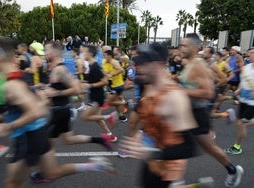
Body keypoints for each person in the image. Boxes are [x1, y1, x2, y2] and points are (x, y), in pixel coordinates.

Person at [0, 36, 115, 188]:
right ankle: (94, 165)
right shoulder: (17, 75)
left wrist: (8, 126)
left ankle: (100, 143)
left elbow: (36, 111)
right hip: (39, 131)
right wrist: (40, 92)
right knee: (52, 172)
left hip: (31, 136)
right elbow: (37, 107)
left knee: (12, 183)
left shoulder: (13, 83)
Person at [119, 42, 198, 188]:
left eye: (143, 63)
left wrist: (152, 153)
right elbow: (152, 119)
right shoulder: (149, 87)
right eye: (137, 62)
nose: (138, 68)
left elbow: (190, 147)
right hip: (151, 161)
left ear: (159, 64)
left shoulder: (174, 98)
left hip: (167, 169)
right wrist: (142, 134)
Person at [178, 33, 243, 187]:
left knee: (204, 147)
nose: (182, 48)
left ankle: (232, 171)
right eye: (181, 45)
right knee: (199, 147)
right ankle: (232, 170)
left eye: (185, 45)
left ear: (195, 47)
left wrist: (183, 92)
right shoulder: (191, 63)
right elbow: (191, 84)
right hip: (188, 112)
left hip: (197, 113)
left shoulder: (198, 65)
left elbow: (208, 93)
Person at [80, 45, 118, 142]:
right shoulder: (90, 66)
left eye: (85, 52)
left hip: (97, 97)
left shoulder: (95, 67)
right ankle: (110, 135)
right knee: (97, 118)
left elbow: (105, 81)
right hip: (94, 95)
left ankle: (110, 116)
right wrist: (83, 84)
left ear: (90, 54)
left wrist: (90, 85)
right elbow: (91, 80)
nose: (83, 54)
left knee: (85, 117)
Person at [225, 47, 254, 155]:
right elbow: (243, 80)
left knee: (241, 124)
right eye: (249, 53)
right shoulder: (246, 68)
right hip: (243, 100)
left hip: (252, 103)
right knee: (239, 123)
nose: (249, 54)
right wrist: (238, 89)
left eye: (252, 53)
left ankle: (237, 147)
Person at [103, 50, 127, 122]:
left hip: (117, 85)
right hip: (111, 84)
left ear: (110, 56)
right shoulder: (105, 62)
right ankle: (122, 117)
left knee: (110, 102)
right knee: (115, 101)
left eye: (105, 55)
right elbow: (106, 71)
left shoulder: (114, 62)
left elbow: (121, 69)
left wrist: (112, 75)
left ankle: (126, 103)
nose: (104, 56)